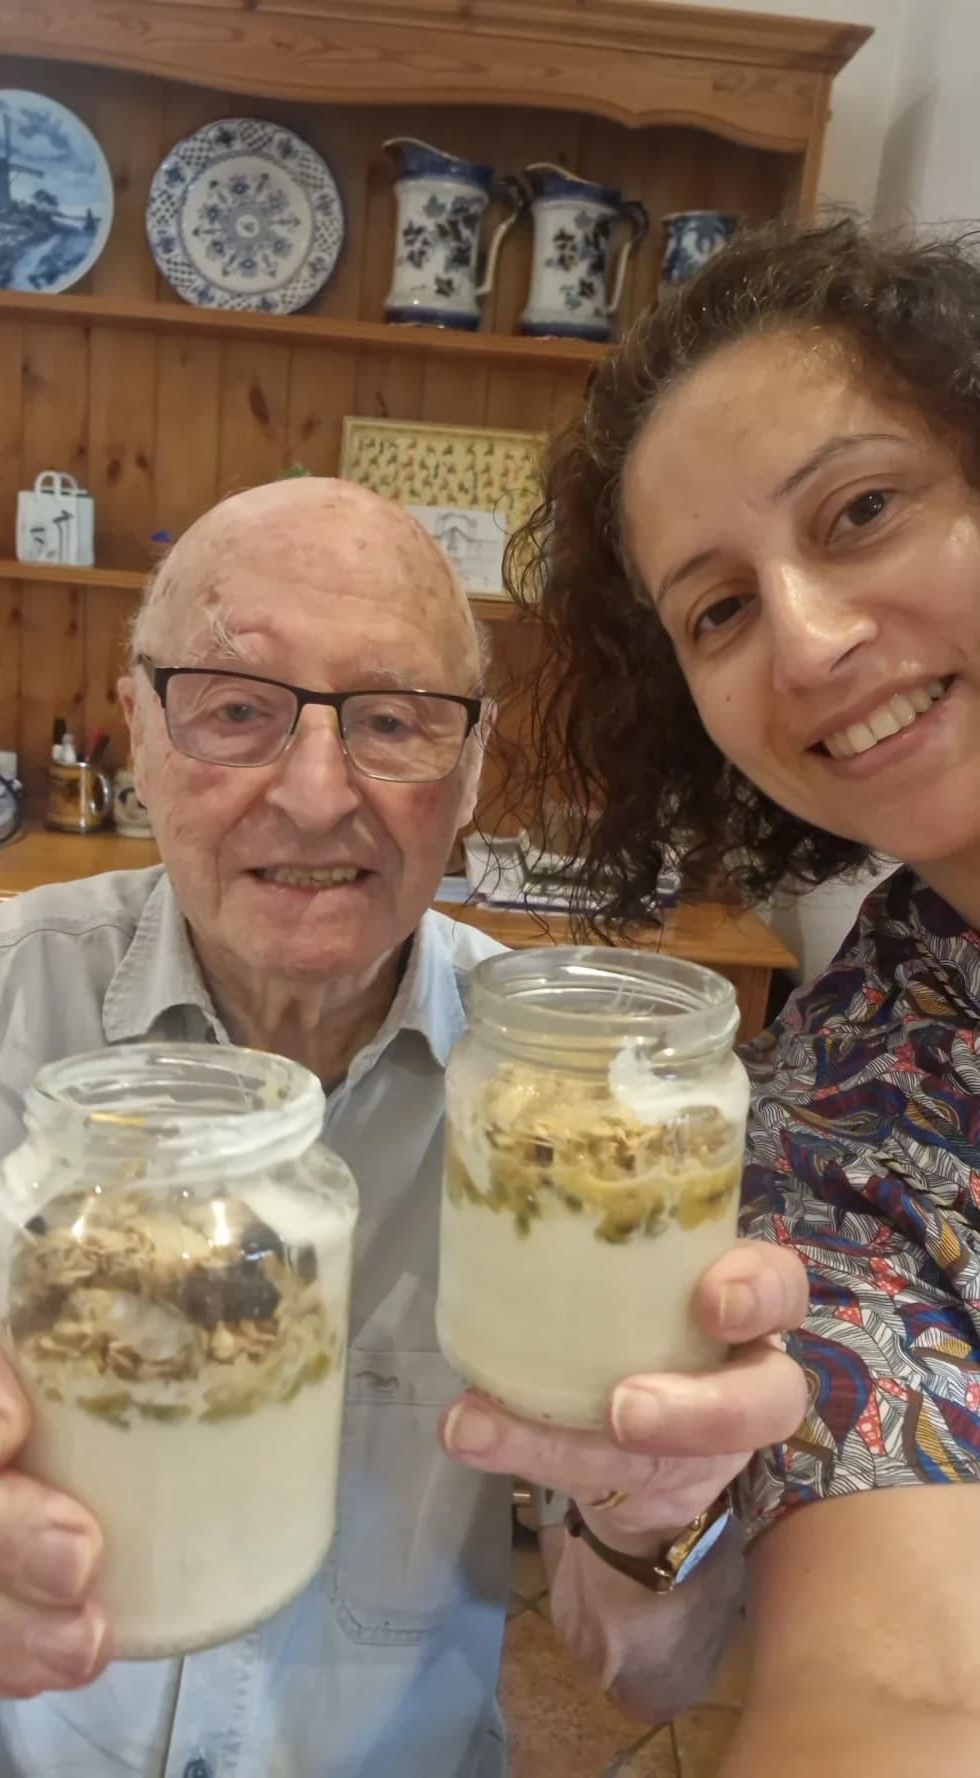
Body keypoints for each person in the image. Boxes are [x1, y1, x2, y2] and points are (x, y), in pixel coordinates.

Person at [0, 478, 805, 1777]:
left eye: (393, 720)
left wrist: (656, 1511)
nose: (316, 795)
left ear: (470, 768)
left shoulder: (582, 1107)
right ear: (137, 728)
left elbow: (647, 1670)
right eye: (236, 708)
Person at [507, 217, 980, 1774]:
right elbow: (896, 1692)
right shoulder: (851, 1123)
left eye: (864, 510)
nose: (813, 641)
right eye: (717, 610)